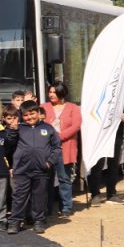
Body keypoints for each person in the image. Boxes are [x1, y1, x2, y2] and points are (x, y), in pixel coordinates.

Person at [8, 101, 61, 235]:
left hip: (41, 170)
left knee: (39, 197)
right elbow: (9, 145)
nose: (29, 117)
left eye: (32, 114)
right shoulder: (18, 128)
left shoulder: (48, 128)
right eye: (26, 115)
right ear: (21, 116)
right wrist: (13, 131)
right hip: (22, 170)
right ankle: (15, 222)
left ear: (38, 113)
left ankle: (39, 221)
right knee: (19, 196)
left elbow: (56, 147)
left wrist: (49, 162)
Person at [41, 81, 81, 216]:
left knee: (64, 178)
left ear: (61, 93)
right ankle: (47, 208)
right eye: (50, 92)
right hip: (48, 149)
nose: (51, 95)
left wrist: (60, 136)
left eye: (54, 92)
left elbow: (76, 126)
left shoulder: (73, 108)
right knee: (47, 179)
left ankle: (66, 208)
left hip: (66, 148)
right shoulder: (43, 107)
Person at [86, 91, 124, 205]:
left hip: (116, 135)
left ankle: (111, 193)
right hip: (99, 135)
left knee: (114, 165)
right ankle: (95, 194)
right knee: (98, 164)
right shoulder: (100, 90)